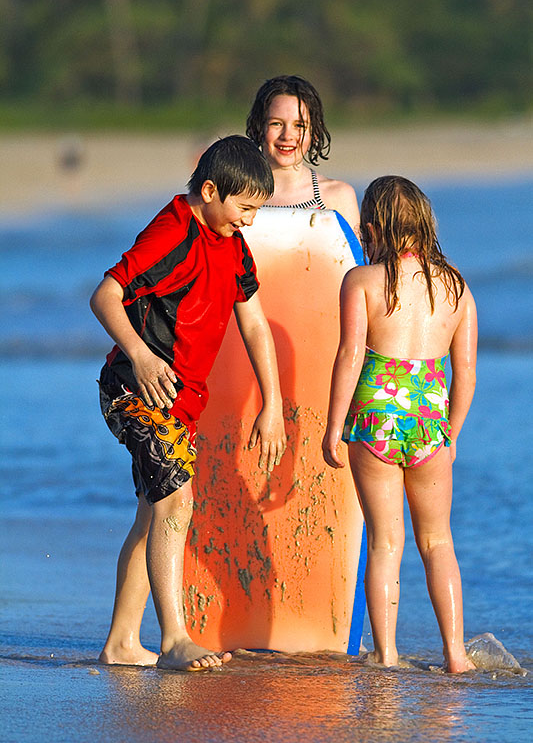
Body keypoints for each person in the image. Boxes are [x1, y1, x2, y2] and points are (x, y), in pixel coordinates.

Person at [91, 135, 287, 671]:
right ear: (209, 190)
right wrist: (141, 354)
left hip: (178, 405)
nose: (248, 220)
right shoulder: (173, 230)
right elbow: (105, 294)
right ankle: (175, 638)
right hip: (133, 387)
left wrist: (272, 403)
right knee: (177, 500)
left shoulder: (234, 247)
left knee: (152, 512)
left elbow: (254, 325)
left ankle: (121, 643)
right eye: (244, 208)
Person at [322, 175, 477, 673]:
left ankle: (386, 655)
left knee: (386, 542)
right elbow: (466, 370)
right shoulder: (455, 285)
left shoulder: (363, 281)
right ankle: (456, 655)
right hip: (430, 417)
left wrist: (332, 427)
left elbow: (349, 356)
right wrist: (451, 429)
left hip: (376, 415)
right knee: (438, 541)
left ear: (373, 227)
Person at [246, 75, 359, 229]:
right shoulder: (238, 194)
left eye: (299, 125)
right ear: (258, 126)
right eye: (276, 123)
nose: (287, 136)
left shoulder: (338, 196)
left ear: (315, 132)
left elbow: (352, 253)